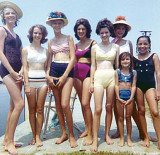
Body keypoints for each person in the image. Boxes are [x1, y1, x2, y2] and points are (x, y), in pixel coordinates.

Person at [45, 11, 77, 148]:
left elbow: (73, 58)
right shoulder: (50, 42)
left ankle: (71, 135)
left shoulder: (69, 38)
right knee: (58, 105)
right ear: (51, 24)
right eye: (54, 23)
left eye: (59, 22)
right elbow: (48, 62)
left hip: (67, 70)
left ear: (62, 24)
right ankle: (63, 133)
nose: (57, 25)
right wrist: (47, 75)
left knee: (65, 104)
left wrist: (64, 76)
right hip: (53, 70)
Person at [90, 18, 119, 152]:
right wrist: (91, 82)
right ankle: (95, 139)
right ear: (99, 33)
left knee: (109, 107)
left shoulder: (116, 47)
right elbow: (93, 65)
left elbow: (117, 66)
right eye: (102, 33)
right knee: (97, 109)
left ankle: (107, 134)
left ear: (110, 32)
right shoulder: (95, 47)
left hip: (112, 77)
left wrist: (119, 83)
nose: (104, 35)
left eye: (106, 32)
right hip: (99, 77)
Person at [0, 1, 24, 155]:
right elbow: (0, 53)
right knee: (20, 104)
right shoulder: (2, 30)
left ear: (16, 17)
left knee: (12, 107)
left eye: (12, 13)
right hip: (7, 71)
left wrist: (21, 70)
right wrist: (13, 72)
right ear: (3, 16)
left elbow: (22, 54)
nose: (10, 15)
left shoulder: (18, 35)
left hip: (18, 71)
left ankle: (7, 139)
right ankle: (9, 143)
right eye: (7, 13)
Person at [22, 25, 48, 147]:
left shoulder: (45, 51)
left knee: (40, 109)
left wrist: (48, 82)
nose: (37, 35)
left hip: (43, 82)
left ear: (43, 35)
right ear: (31, 34)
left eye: (40, 33)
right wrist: (26, 84)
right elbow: (25, 68)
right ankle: (33, 135)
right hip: (30, 82)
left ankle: (38, 136)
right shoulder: (26, 50)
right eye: (35, 33)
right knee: (32, 110)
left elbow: (47, 67)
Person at [133, 36, 160, 149]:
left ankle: (159, 138)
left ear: (149, 45)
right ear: (137, 45)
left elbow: (158, 73)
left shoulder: (154, 56)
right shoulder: (134, 58)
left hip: (150, 87)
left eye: (145, 44)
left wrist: (158, 90)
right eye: (140, 44)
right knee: (141, 111)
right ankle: (145, 137)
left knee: (155, 112)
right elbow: (132, 75)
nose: (142, 46)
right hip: (138, 87)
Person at [73, 18, 96, 145]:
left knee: (86, 103)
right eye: (79, 29)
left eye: (83, 29)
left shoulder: (93, 43)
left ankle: (91, 134)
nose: (81, 31)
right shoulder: (75, 45)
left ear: (87, 30)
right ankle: (87, 128)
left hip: (87, 73)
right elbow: (73, 61)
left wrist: (92, 80)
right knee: (82, 103)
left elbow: (94, 63)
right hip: (76, 74)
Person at [115, 52, 137, 147]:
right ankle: (122, 138)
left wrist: (131, 98)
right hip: (119, 97)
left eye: (127, 59)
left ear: (131, 61)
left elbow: (134, 85)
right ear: (120, 61)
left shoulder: (133, 72)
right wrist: (118, 97)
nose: (125, 61)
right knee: (120, 117)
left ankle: (128, 138)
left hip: (129, 97)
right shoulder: (117, 72)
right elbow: (116, 85)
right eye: (123, 59)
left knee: (128, 117)